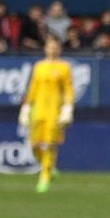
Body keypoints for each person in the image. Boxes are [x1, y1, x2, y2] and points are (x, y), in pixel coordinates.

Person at [18, 36, 74, 193]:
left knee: (50, 143)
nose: (53, 50)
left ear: (59, 49)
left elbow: (68, 88)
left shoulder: (64, 67)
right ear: (45, 48)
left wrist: (68, 107)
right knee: (34, 144)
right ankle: (48, 167)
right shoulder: (39, 66)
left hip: (54, 111)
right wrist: (26, 106)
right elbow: (33, 88)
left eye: (56, 47)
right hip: (38, 109)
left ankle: (44, 178)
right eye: (50, 47)